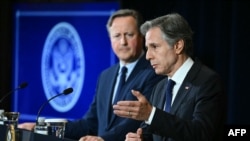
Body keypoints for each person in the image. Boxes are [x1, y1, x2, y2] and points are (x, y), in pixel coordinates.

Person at [18, 9, 164, 141]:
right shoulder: (106, 76)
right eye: (117, 35)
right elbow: (90, 123)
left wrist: (103, 139)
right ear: (110, 39)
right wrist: (42, 129)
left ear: (141, 37)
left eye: (129, 35)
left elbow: (137, 122)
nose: (123, 42)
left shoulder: (154, 72)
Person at [113, 13, 226, 141]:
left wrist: (151, 114)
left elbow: (201, 133)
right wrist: (141, 138)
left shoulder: (207, 82)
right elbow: (153, 132)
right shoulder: (160, 87)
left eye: (154, 47)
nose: (148, 56)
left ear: (178, 46)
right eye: (147, 48)